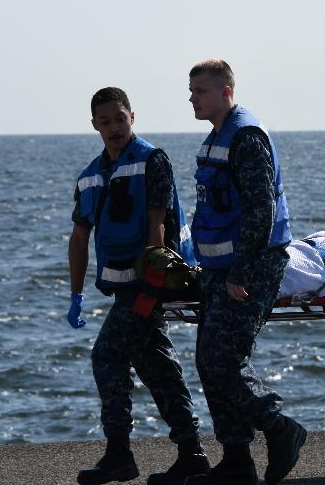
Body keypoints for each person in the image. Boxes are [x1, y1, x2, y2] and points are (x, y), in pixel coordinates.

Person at [67, 87, 209, 485]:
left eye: (120, 118)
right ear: (95, 125)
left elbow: (157, 225)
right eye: (105, 121)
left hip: (153, 283)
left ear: (133, 117)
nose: (114, 128)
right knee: (156, 365)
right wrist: (76, 295)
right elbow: (79, 239)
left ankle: (119, 455)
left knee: (107, 356)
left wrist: (152, 286)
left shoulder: (151, 161)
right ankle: (192, 453)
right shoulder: (90, 177)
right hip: (124, 288)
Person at [186, 59, 306, 485]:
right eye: (191, 90)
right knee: (207, 361)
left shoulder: (246, 137)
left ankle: (280, 429)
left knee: (224, 360)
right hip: (220, 267)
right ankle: (237, 459)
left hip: (251, 265)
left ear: (226, 92)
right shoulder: (218, 136)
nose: (192, 97)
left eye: (200, 90)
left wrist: (240, 271)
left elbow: (261, 209)